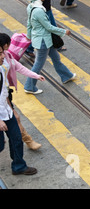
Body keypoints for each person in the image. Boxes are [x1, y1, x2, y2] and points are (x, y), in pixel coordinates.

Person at [24, 0, 76, 94]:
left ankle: (66, 76)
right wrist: (63, 32)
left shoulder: (30, 6)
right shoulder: (38, 11)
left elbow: (29, 24)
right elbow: (49, 27)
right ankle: (29, 86)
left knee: (56, 57)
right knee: (38, 65)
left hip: (45, 40)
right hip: (43, 41)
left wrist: (29, 36)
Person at [0, 33, 44, 150]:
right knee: (15, 118)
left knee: (14, 118)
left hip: (5, 93)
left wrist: (35, 75)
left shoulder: (7, 56)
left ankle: (27, 142)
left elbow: (19, 67)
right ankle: (29, 141)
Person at [0, 45, 38, 176]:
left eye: (2, 53)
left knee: (16, 138)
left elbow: (4, 93)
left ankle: (18, 166)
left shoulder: (2, 69)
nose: (3, 56)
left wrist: (11, 110)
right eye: (0, 54)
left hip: (6, 111)